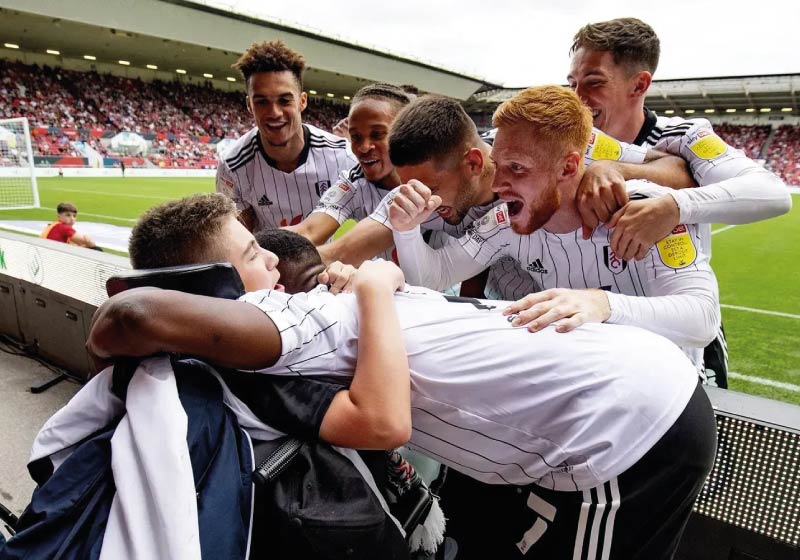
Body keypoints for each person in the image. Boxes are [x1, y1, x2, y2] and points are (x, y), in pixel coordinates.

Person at [88, 193, 717, 559]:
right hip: (620, 414)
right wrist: (373, 290)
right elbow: (127, 316)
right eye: (253, 253)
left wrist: (369, 290)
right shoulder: (262, 316)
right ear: (212, 290)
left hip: (624, 417)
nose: (274, 258)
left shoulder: (279, 318)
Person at [389, 86, 718, 372]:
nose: (500, 185)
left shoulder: (646, 208)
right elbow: (435, 275)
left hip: (672, 393)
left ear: (569, 167)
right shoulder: (506, 220)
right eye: (499, 166)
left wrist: (601, 304)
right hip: (594, 380)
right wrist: (406, 230)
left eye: (517, 168)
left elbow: (702, 318)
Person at [566, 17, 792, 386]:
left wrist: (673, 206)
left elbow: (772, 193)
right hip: (596, 326)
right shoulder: (566, 139)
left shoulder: (682, 135)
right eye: (572, 83)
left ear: (639, 84)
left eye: (593, 83)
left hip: (677, 337)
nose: (577, 99)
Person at [320, 95, 694, 300]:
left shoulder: (565, 149)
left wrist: (611, 171)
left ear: (473, 162)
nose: (425, 202)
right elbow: (349, 251)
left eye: (431, 190)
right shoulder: (421, 199)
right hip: (544, 329)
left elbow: (680, 171)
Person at [215, 40, 357, 231]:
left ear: (302, 101)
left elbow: (374, 218)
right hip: (264, 260)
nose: (274, 112)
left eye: (284, 100)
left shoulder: (341, 155)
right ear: (249, 105)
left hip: (324, 259)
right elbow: (238, 237)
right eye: (262, 102)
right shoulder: (232, 166)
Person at [286, 83, 413, 257]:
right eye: (356, 137)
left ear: (404, 134)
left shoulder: (434, 179)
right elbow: (309, 231)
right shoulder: (354, 182)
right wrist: (249, 247)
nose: (363, 147)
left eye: (377, 134)